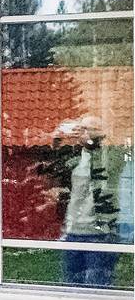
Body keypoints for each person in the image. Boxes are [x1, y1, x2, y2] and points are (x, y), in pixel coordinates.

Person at [56, 116, 120, 287]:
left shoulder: (110, 156)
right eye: (81, 128)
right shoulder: (74, 157)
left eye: (89, 129)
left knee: (97, 288)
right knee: (71, 285)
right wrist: (60, 136)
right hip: (73, 231)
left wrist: (97, 139)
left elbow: (115, 156)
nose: (84, 133)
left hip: (100, 232)